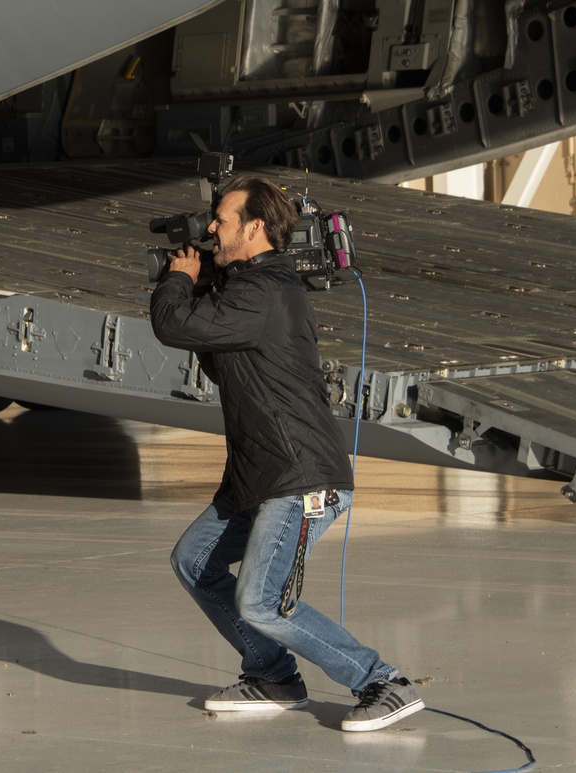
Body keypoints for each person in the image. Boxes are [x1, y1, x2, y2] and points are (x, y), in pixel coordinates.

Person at [150, 176, 423, 733]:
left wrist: (178, 281)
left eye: (220, 220)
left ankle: (382, 681)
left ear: (253, 228)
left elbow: (173, 325)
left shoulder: (266, 289)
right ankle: (273, 675)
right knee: (194, 562)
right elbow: (216, 356)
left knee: (261, 601)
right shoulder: (247, 290)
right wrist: (201, 286)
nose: (210, 229)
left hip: (299, 476)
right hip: (259, 473)